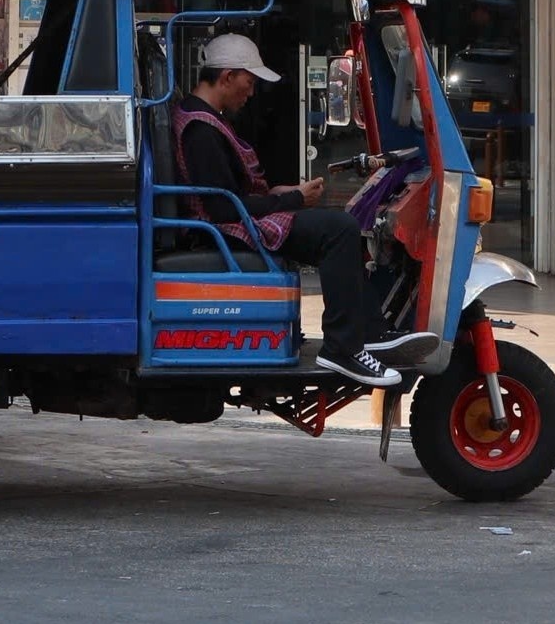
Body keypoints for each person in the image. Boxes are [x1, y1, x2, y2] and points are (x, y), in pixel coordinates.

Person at [174, 33, 433, 388]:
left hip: (232, 218)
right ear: (227, 76)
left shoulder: (202, 117)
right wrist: (292, 200)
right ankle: (342, 348)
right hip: (224, 229)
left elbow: (230, 193)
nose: (250, 94)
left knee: (338, 224)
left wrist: (284, 193)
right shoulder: (201, 131)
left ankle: (369, 332)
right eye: (248, 83)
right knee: (339, 229)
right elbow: (221, 207)